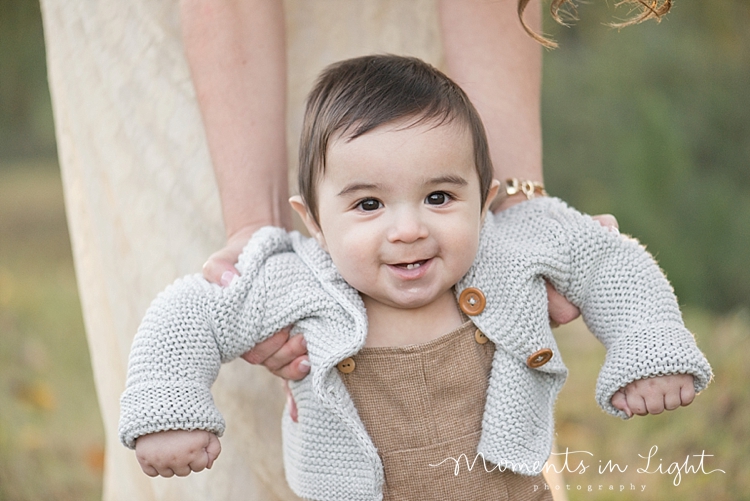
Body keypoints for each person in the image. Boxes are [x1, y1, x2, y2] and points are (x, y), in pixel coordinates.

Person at [120, 55, 711, 501]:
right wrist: (168, 404)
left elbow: (608, 258)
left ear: (486, 199)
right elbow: (190, 313)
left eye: (438, 196)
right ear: (314, 221)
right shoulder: (297, 277)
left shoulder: (514, 240)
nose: (408, 229)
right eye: (369, 205)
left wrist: (647, 344)